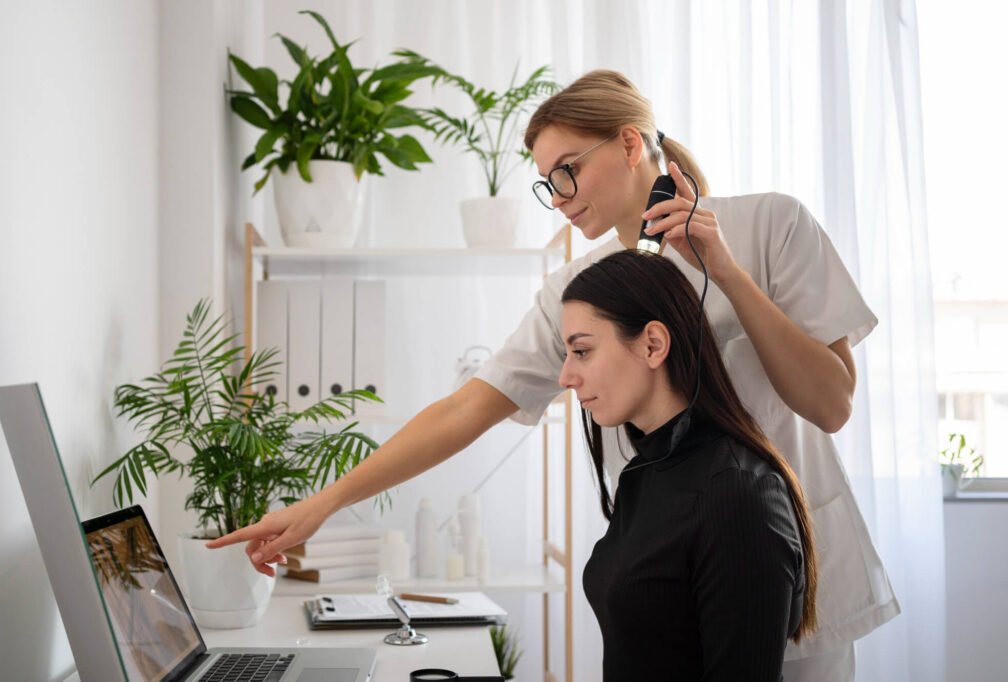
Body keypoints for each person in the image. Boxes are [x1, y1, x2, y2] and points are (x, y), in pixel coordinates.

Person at [209, 69, 899, 680]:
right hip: (667, 575)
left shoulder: (770, 226)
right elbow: (467, 408)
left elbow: (831, 403)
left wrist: (725, 271)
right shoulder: (577, 290)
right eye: (547, 182)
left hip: (783, 562)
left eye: (568, 168)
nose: (559, 194)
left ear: (631, 144)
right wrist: (321, 504)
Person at [561, 249, 816, 680]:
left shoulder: (737, 495)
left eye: (582, 351)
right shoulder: (642, 475)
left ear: (653, 344)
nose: (566, 376)